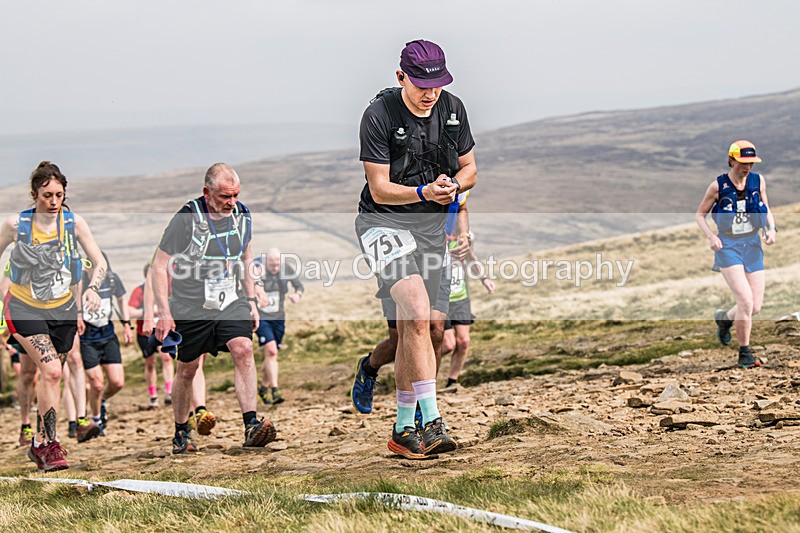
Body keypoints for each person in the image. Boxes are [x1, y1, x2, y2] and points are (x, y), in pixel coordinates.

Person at [354, 40, 476, 458]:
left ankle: (405, 427)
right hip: (383, 222)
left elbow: (471, 167)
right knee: (417, 314)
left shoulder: (453, 108)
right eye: (422, 84)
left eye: (437, 85)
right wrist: (425, 190)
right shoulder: (378, 115)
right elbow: (380, 189)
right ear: (401, 76)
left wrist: (455, 186)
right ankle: (433, 419)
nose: (430, 93)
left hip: (429, 228)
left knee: (432, 330)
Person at [152, 162, 276, 454]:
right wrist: (164, 312)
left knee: (244, 348)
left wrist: (251, 300)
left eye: (235, 195)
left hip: (229, 299)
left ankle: (251, 424)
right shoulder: (186, 218)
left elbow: (246, 257)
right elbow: (159, 266)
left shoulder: (242, 215)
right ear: (207, 192)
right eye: (224, 196)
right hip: (190, 305)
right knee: (187, 369)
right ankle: (181, 431)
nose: (231, 202)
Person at [0, 161, 107, 472]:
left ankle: (39, 443)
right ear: (35, 194)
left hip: (60, 310)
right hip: (22, 307)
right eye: (47, 194)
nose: (54, 201)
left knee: (51, 376)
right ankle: (50, 444)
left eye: (59, 194)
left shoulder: (74, 224)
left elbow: (98, 262)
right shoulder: (15, 225)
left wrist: (93, 289)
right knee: (52, 370)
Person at [695, 140, 776, 368]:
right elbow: (699, 215)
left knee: (755, 306)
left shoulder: (758, 181)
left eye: (751, 162)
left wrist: (771, 229)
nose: (747, 167)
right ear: (731, 160)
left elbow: (765, 206)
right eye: (742, 162)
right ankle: (745, 354)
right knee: (745, 301)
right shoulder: (717, 186)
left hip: (752, 244)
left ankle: (724, 319)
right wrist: (712, 236)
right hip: (728, 246)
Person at [78, 251, 133, 434]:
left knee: (117, 382)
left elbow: (121, 300)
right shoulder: (79, 283)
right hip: (87, 336)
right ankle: (96, 420)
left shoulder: (111, 279)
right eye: (87, 266)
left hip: (108, 333)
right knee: (97, 384)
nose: (90, 270)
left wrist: (126, 325)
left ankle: (101, 400)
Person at [440, 231, 495, 387]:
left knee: (463, 341)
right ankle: (424, 379)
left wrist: (484, 279)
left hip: (460, 297)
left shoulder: (459, 238)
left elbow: (472, 259)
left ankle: (452, 382)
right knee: (447, 345)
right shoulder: (432, 236)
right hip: (439, 299)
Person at [253, 248, 304, 405]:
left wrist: (297, 295)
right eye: (271, 264)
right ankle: (275, 389)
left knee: (271, 356)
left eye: (277, 264)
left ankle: (263, 388)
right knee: (272, 351)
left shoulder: (286, 268)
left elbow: (299, 286)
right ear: (265, 261)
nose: (275, 267)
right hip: (262, 318)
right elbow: (246, 283)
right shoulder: (257, 267)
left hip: (279, 318)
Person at [128, 263, 174, 409]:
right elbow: (129, 311)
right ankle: (153, 396)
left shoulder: (167, 289)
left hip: (163, 330)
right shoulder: (139, 291)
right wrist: (148, 312)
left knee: (166, 357)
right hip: (144, 332)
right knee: (150, 363)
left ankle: (169, 392)